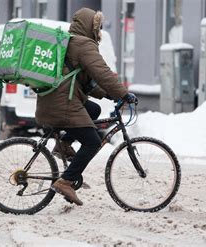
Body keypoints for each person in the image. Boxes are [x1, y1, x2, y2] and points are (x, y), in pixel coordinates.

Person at [35, 8, 136, 206]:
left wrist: (109, 95)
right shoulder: (84, 45)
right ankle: (65, 181)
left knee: (94, 110)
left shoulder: (70, 41)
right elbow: (103, 73)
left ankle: (64, 143)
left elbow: (86, 82)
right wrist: (123, 93)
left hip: (53, 102)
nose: (98, 31)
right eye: (97, 27)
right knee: (93, 142)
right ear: (90, 26)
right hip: (62, 105)